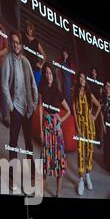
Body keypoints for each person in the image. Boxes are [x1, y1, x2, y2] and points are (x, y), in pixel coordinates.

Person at [1, 31, 38, 188]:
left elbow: (32, 83)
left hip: (27, 108)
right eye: (13, 42)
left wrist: (34, 102)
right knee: (13, 143)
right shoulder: (8, 60)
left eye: (18, 42)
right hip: (16, 107)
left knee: (29, 144)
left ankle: (32, 173)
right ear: (11, 43)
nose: (16, 45)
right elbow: (4, 85)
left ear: (22, 45)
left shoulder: (26, 61)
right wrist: (10, 106)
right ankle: (12, 177)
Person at [39, 63, 71, 197]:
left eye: (50, 73)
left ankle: (58, 193)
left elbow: (68, 111)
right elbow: (40, 107)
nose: (48, 75)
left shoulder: (57, 91)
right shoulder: (42, 88)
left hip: (56, 127)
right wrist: (40, 128)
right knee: (46, 159)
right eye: (46, 73)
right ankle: (41, 191)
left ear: (53, 74)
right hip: (46, 125)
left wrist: (60, 120)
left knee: (58, 160)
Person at [72, 72, 101, 196]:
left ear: (86, 79)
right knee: (80, 151)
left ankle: (88, 176)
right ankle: (80, 179)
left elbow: (99, 105)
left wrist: (94, 116)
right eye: (80, 77)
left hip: (90, 126)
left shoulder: (89, 93)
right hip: (80, 125)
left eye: (83, 77)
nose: (82, 79)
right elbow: (73, 109)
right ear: (78, 80)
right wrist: (77, 127)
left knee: (89, 151)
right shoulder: (75, 92)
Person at [21, 20, 46, 87]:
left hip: (35, 67)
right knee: (26, 86)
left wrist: (41, 65)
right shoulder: (22, 36)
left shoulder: (36, 42)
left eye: (30, 28)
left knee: (35, 87)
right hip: (26, 65)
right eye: (27, 28)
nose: (29, 30)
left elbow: (44, 55)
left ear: (33, 30)